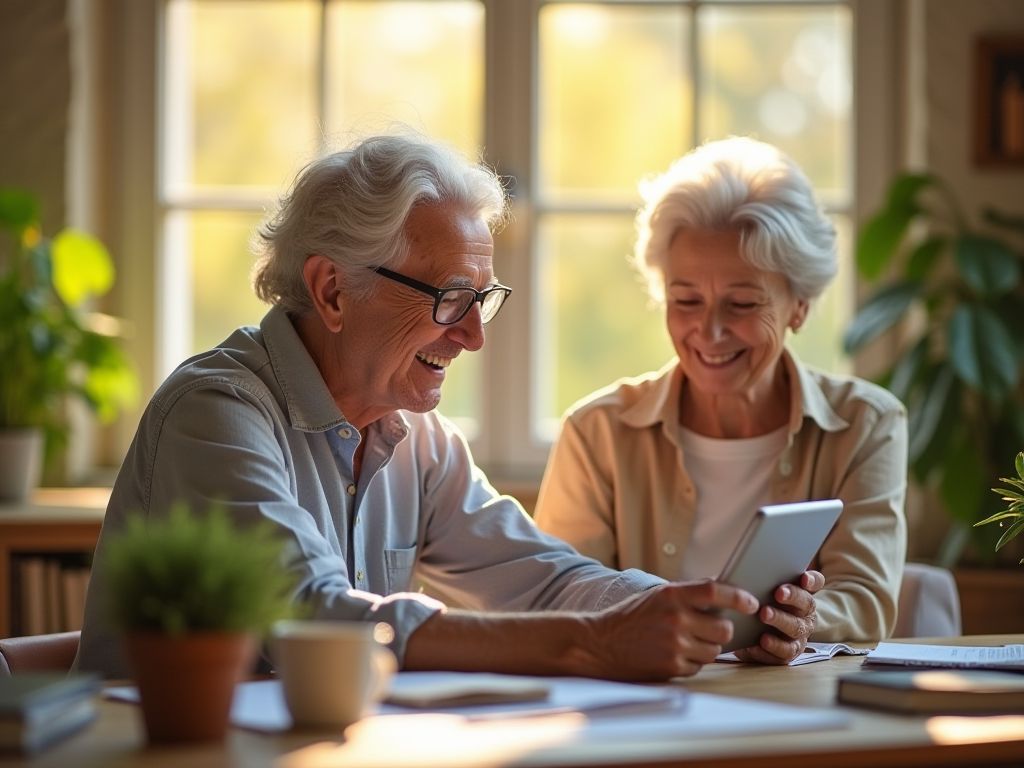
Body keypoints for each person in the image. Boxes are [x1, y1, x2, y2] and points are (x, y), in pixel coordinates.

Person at [75, 132, 766, 681]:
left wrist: (698, 611)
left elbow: (541, 579)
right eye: (450, 298)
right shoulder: (215, 413)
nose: (474, 335)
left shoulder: (417, 436)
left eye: (482, 299)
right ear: (333, 291)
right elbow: (314, 617)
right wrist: (594, 644)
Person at [534, 137, 907, 665]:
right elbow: (559, 596)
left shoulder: (865, 424)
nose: (709, 332)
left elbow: (866, 601)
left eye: (743, 303)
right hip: (644, 696)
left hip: (793, 700)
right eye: (686, 300)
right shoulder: (595, 432)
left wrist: (799, 619)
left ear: (800, 306)